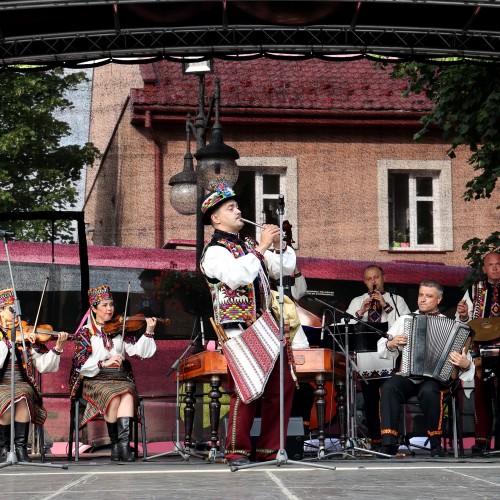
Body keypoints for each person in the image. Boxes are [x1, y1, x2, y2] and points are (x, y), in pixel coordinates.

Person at [200, 182, 297, 467]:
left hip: (266, 327)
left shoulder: (248, 245)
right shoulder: (215, 251)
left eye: (237, 206)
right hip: (238, 329)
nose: (238, 210)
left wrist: (279, 246)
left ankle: (271, 450)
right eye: (231, 208)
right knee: (247, 389)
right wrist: (263, 247)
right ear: (216, 218)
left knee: (282, 386)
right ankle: (237, 452)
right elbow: (236, 276)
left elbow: (284, 268)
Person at [378, 280, 474, 457]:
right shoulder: (405, 320)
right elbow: (382, 347)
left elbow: (468, 364)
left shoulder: (453, 327)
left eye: (428, 296)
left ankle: (435, 444)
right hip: (408, 375)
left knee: (429, 390)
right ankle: (389, 443)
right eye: (421, 295)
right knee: (390, 386)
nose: (422, 299)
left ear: (439, 299)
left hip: (435, 379)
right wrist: (391, 343)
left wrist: (465, 363)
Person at [69, 285, 157, 462]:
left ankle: (121, 447)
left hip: (120, 378)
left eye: (111, 305)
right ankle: (118, 445)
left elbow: (138, 353)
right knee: (113, 395)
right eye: (104, 305)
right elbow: (80, 364)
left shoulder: (120, 330)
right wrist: (104, 362)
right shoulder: (86, 333)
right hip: (96, 379)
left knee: (127, 392)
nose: (110, 309)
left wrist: (149, 331)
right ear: (94, 308)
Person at [346, 265, 410, 450]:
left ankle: (391, 439)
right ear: (364, 281)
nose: (373, 281)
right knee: (370, 398)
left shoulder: (397, 300)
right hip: (366, 358)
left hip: (392, 357)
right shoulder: (357, 300)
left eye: (376, 277)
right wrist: (360, 312)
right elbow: (346, 326)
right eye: (369, 278)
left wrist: (386, 306)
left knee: (389, 397)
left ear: (384, 277)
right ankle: (376, 440)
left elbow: (406, 323)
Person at [0, 288, 68, 462]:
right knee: (8, 397)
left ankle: (21, 447)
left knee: (23, 395)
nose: (16, 311)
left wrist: (58, 348)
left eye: (17, 307)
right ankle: (4, 448)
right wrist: (11, 341)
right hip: (2, 384)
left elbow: (44, 366)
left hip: (22, 383)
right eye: (11, 308)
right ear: (0, 311)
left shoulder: (26, 334)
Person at [456, 250, 500, 454]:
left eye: (498, 264)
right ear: (484, 269)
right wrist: (463, 315)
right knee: (482, 395)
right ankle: (481, 440)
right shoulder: (475, 290)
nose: (495, 268)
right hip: (481, 350)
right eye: (490, 265)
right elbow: (464, 323)